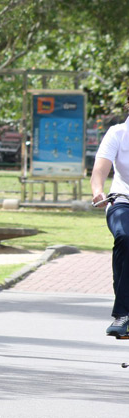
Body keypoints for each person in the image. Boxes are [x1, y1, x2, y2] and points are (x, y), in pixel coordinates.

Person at [90, 88, 129, 339]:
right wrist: (98, 191)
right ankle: (123, 314)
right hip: (122, 200)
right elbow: (100, 170)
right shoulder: (118, 133)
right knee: (125, 237)